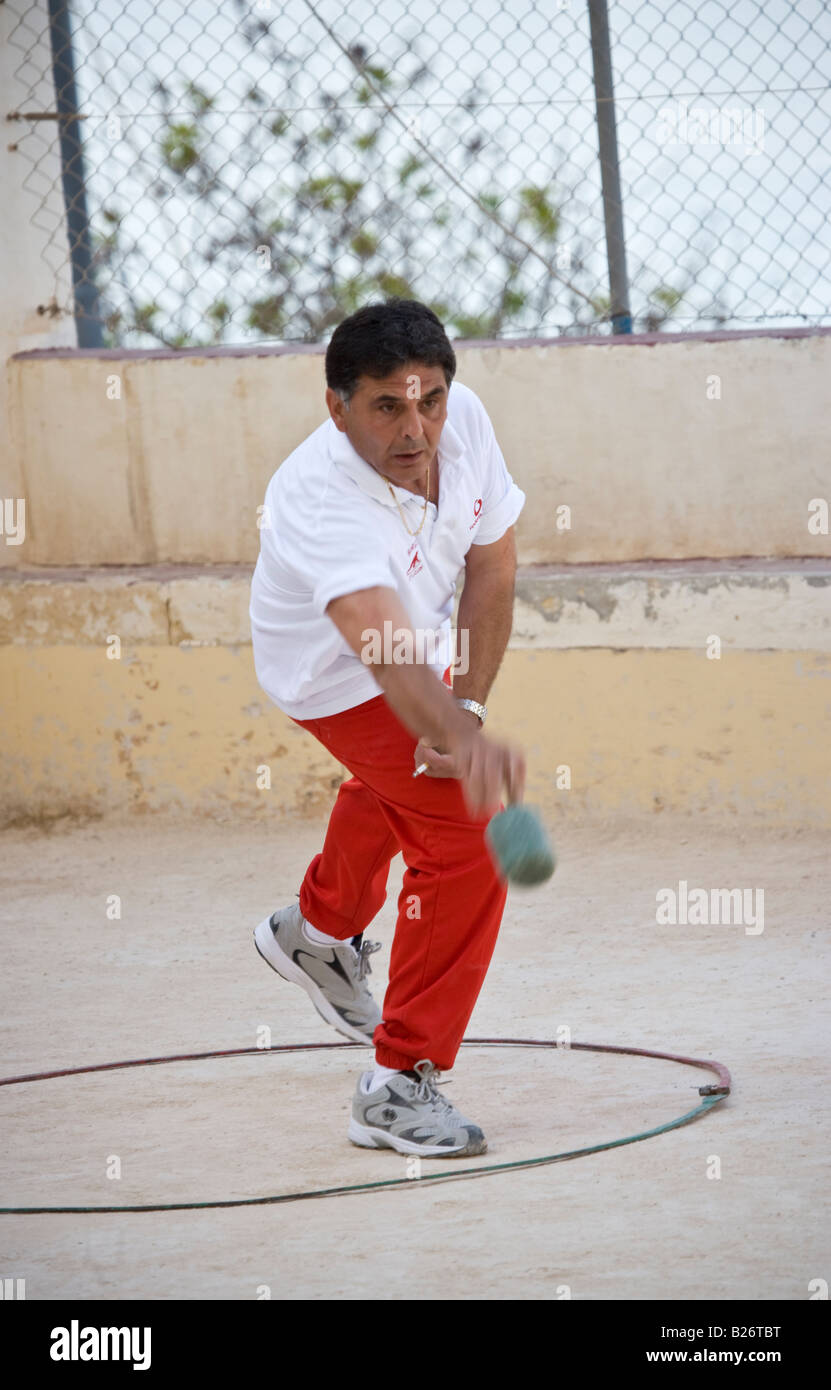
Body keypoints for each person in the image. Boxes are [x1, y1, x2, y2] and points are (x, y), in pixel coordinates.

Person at [249, 298, 527, 1158]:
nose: (417, 428)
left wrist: (467, 710)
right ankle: (396, 1082)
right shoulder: (319, 498)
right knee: (471, 840)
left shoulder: (461, 418)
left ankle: (316, 930)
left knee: (417, 776)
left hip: (417, 647)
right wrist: (454, 732)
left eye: (430, 401)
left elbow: (492, 557)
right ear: (337, 407)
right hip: (333, 674)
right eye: (387, 407)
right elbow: (376, 639)